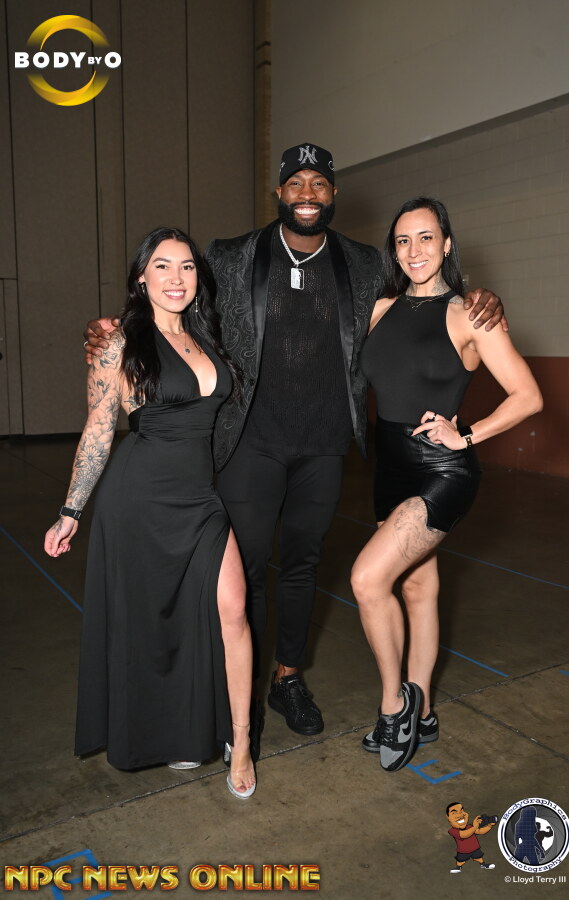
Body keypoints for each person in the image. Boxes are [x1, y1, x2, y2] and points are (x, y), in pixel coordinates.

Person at [83, 146, 504, 750]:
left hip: (324, 444)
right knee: (249, 571)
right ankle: (244, 693)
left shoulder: (364, 263)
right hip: (251, 440)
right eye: (296, 182)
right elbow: (174, 299)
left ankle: (287, 677)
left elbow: (426, 293)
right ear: (279, 193)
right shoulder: (229, 255)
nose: (308, 192)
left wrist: (483, 297)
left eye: (319, 183)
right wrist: (114, 327)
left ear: (333, 195)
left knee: (304, 565)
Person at [45, 227, 256, 799]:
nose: (175, 278)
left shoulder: (207, 333)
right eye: (162, 266)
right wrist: (71, 510)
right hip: (138, 499)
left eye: (186, 266)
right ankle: (172, 735)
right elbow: (98, 428)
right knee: (152, 625)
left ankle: (240, 740)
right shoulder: (119, 342)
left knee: (232, 611)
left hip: (201, 500)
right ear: (142, 277)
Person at [354, 197, 543, 772]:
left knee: (367, 580)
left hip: (441, 470)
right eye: (403, 240)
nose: (414, 250)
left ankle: (395, 707)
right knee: (417, 587)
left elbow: (528, 396)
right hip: (389, 465)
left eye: (426, 237)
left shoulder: (469, 315)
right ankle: (427, 711)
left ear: (447, 244)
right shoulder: (380, 309)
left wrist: (466, 435)